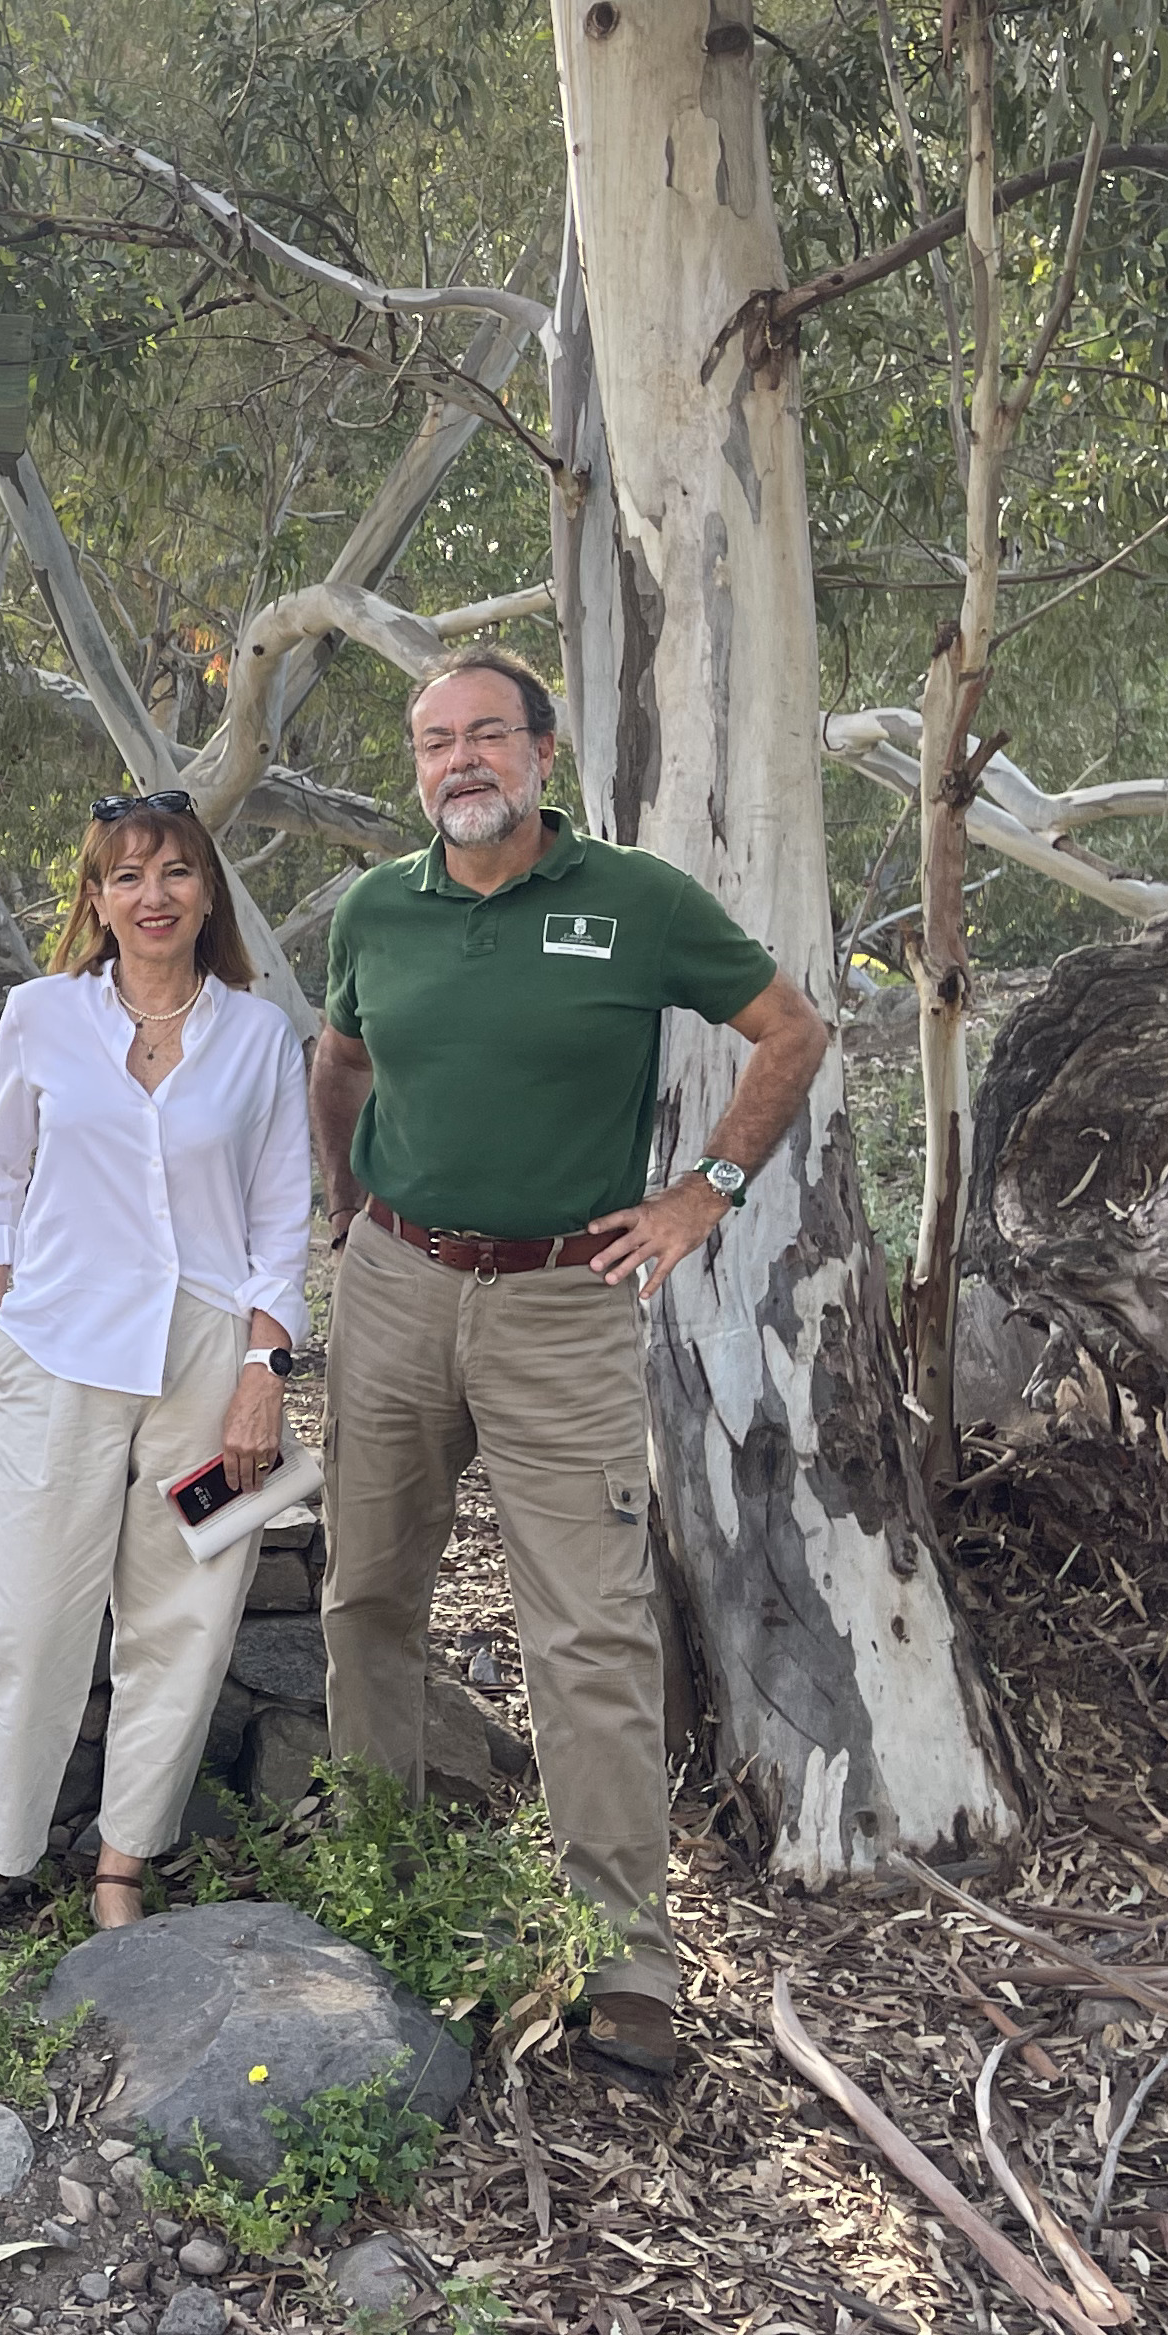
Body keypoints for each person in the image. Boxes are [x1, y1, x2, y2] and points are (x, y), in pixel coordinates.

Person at [310, 650, 831, 2084]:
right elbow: (339, 1065)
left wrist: (705, 1189)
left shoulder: (637, 902)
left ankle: (626, 1960)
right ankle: (382, 1874)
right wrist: (349, 1206)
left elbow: (792, 1033)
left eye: (487, 735)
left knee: (589, 1630)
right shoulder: (377, 909)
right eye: (433, 743)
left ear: (544, 755)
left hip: (562, 1304)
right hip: (399, 1286)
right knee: (364, 1592)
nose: (459, 761)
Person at [0, 792, 314, 1948]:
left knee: (188, 1609)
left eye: (175, 872)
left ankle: (124, 1863)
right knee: (25, 1615)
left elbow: (282, 1215)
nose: (153, 895)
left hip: (212, 1357)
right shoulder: (40, 1015)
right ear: (96, 898)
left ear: (208, 892)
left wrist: (267, 1363)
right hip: (60, 1346)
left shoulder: (259, 1037)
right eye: (127, 876)